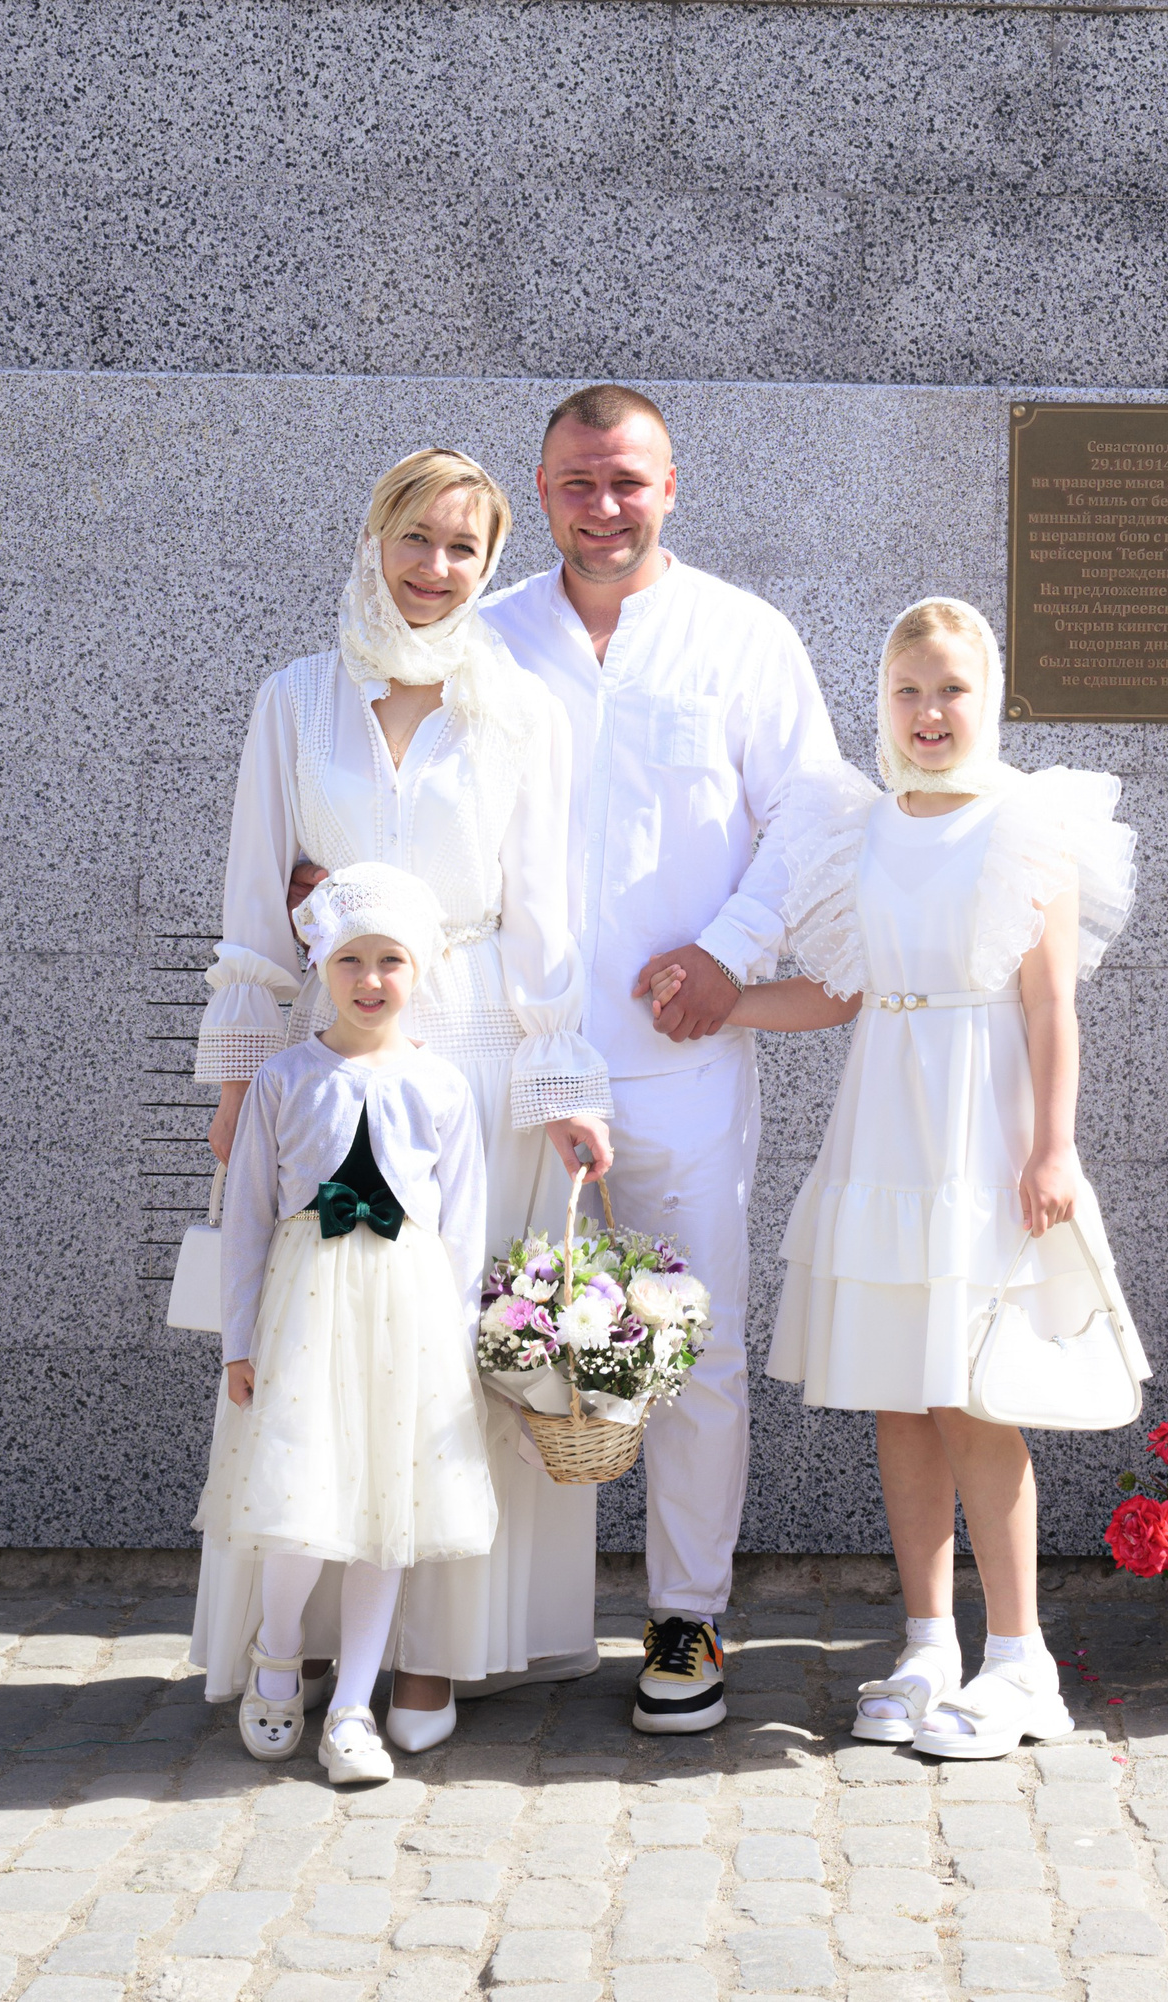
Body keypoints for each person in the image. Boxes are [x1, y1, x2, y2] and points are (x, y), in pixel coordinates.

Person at [192, 449, 614, 1751]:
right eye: (416, 539)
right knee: (315, 1358)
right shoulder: (294, 700)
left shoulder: (520, 710)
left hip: (474, 1060)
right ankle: (298, 1647)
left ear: (493, 568)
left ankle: (431, 1659)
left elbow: (547, 906)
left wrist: (560, 1076)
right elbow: (260, 906)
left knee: (448, 1372)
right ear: (374, 534)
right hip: (326, 1060)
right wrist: (236, 1073)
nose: (437, 569)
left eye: (466, 551)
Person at [692, 597, 1145, 1758]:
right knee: (903, 1390)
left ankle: (1021, 1659)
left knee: (975, 1388)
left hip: (983, 1132)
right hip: (886, 1124)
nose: (929, 712)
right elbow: (837, 992)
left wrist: (1053, 1146)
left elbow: (1050, 1007)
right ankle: (929, 1639)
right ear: (880, 701)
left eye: (950, 688)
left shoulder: (1025, 827)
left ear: (985, 698)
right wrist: (727, 1002)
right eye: (908, 691)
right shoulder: (861, 827)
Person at [483, 385, 841, 1734]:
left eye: (627, 478)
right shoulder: (492, 635)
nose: (604, 503)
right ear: (544, 486)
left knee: (694, 1350)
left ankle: (687, 1615)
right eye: (579, 481)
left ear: (672, 486)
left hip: (683, 1059)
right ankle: (487, 1624)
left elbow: (813, 811)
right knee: (511, 1344)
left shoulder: (741, 637)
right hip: (518, 1059)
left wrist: (731, 951)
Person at [193, 863, 495, 1786]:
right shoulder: (286, 1077)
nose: (370, 981)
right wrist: (238, 1339)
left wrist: (458, 1341)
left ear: (420, 971)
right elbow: (245, 1217)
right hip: (305, 1315)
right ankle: (277, 1654)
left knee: (386, 1510)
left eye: (391, 961)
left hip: (406, 1323)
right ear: (322, 965)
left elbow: (463, 1225)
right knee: (301, 1501)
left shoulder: (441, 1086)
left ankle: (357, 1703)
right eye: (351, 961)